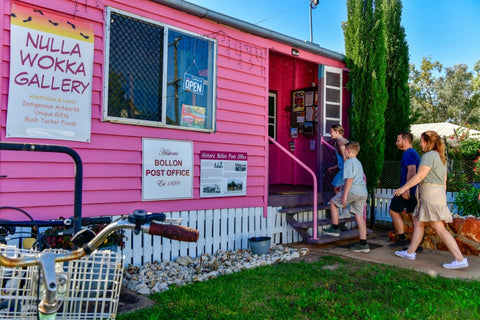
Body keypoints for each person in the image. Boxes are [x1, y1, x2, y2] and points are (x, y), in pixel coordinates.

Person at [393, 130, 468, 269]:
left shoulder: (429, 155)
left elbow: (419, 176)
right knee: (418, 221)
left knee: (438, 227)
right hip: (437, 192)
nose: (420, 144)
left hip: (430, 193)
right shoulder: (441, 157)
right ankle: (410, 252)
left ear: (428, 142)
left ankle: (460, 258)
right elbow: (445, 180)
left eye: (421, 141)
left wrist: (403, 188)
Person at [323, 142, 369, 253]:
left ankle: (335, 227)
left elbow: (350, 179)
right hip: (362, 192)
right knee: (359, 216)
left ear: (347, 151)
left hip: (352, 190)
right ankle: (363, 244)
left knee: (333, 203)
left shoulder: (348, 162)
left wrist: (344, 195)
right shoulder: (358, 162)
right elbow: (357, 178)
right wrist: (343, 188)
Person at [388, 132, 420, 249]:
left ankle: (402, 240)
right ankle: (418, 245)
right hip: (415, 190)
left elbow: (412, 170)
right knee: (413, 216)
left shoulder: (408, 153)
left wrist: (405, 189)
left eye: (398, 140)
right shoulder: (414, 153)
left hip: (407, 190)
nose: (397, 143)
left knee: (393, 211)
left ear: (406, 141)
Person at [327, 124, 350, 219]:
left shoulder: (340, 142)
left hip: (345, 170)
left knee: (336, 187)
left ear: (337, 132)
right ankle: (344, 208)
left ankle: (345, 210)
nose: (330, 133)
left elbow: (345, 157)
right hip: (344, 168)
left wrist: (347, 171)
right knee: (340, 188)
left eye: (331, 131)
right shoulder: (346, 141)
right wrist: (335, 167)